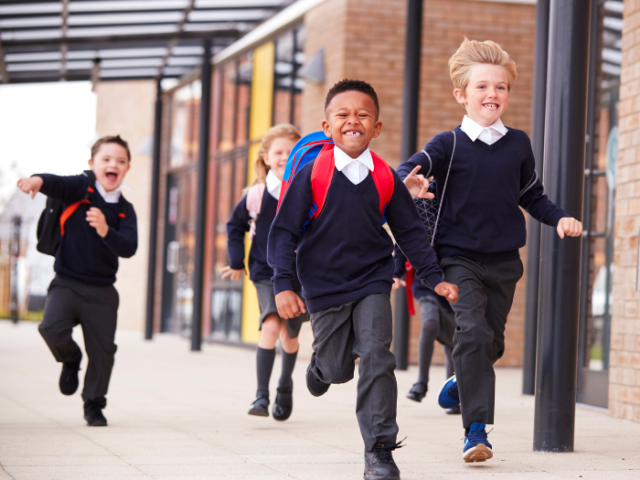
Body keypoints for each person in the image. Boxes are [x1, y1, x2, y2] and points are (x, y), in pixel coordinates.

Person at [398, 39, 583, 463]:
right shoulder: (448, 144)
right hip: (457, 258)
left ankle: (460, 384)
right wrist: (409, 180)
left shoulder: (518, 143)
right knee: (474, 335)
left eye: (500, 87)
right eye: (482, 87)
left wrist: (558, 218)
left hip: (503, 261)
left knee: (491, 344)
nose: (492, 95)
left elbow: (532, 195)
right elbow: (409, 168)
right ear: (461, 94)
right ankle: (476, 432)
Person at [268, 79, 459, 480]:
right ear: (327, 126)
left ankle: (379, 450)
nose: (353, 120)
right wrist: (283, 284)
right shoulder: (311, 172)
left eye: (363, 114)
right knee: (338, 368)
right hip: (322, 285)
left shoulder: (385, 177)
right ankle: (321, 368)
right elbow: (284, 231)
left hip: (373, 279)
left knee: (376, 354)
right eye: (343, 114)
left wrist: (433, 277)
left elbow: (409, 233)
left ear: (377, 127)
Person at [16, 135, 138, 427]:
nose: (113, 165)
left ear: (127, 168)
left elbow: (129, 248)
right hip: (67, 283)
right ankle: (71, 360)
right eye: (106, 159)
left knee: (103, 352)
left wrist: (106, 230)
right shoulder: (79, 188)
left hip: (103, 291)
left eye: (120, 161)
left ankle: (94, 404)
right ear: (92, 164)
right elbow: (55, 182)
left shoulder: (125, 209)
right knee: (50, 328)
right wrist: (36, 180)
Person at [222, 124, 309, 421]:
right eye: (279, 152)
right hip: (265, 271)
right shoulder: (256, 194)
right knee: (272, 324)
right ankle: (261, 394)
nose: (285, 157)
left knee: (290, 337)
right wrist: (236, 261)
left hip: (300, 273)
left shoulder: (309, 189)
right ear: (266, 157)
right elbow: (235, 227)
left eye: (292, 151)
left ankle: (285, 385)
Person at [392, 247, 459, 414]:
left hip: (452, 280)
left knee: (453, 337)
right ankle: (421, 384)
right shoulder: (418, 219)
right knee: (430, 323)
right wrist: (395, 273)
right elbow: (403, 243)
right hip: (423, 279)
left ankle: (451, 394)